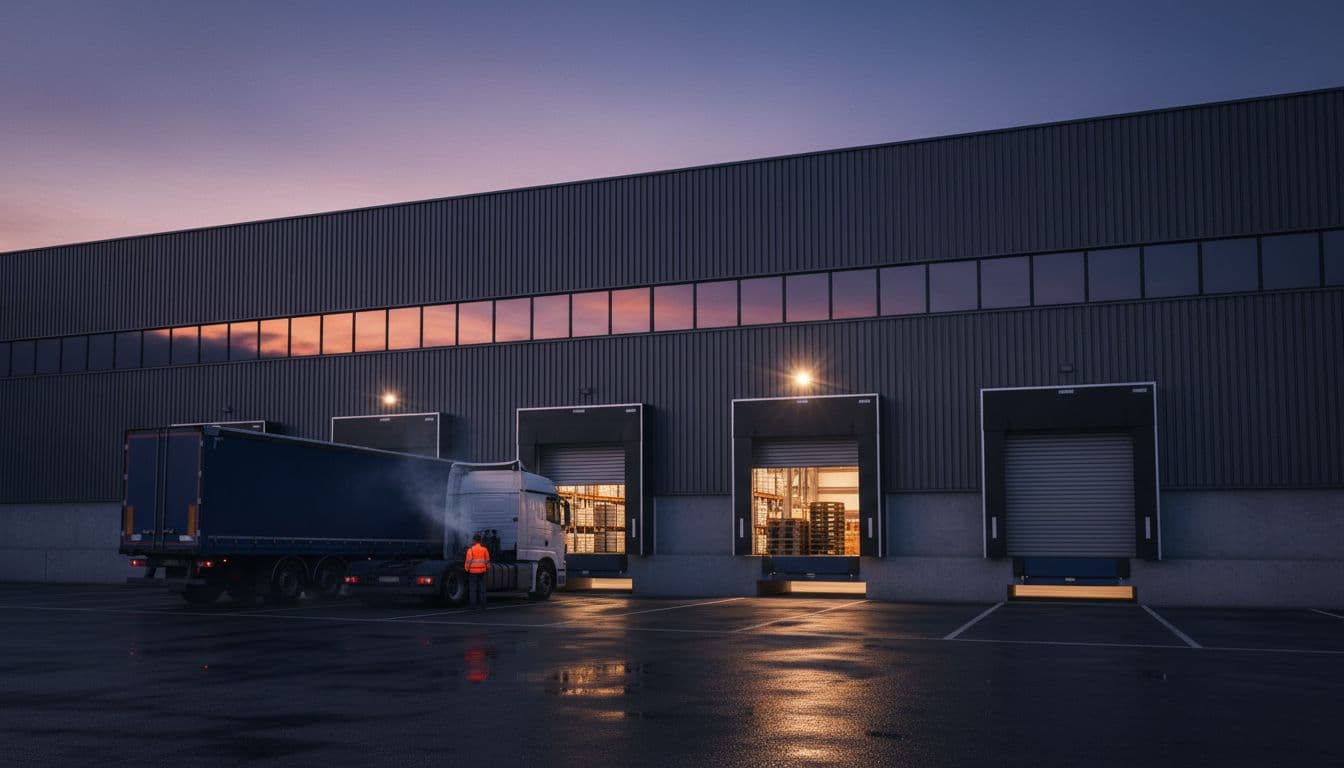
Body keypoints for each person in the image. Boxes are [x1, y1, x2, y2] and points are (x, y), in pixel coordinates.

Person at [464, 533, 491, 610]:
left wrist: (467, 569)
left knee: (473, 589)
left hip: (473, 572)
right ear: (480, 541)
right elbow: (487, 561)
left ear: (474, 541)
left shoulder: (470, 550)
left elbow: (468, 561)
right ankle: (483, 605)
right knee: (482, 588)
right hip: (482, 571)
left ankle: (473, 606)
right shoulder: (484, 549)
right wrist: (487, 568)